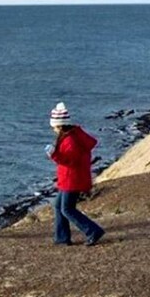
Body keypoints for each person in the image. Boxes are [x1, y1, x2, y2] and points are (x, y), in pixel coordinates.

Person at [45, 102, 105, 246]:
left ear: (60, 125)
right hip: (71, 177)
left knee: (67, 209)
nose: (53, 130)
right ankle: (62, 237)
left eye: (54, 126)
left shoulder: (70, 140)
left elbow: (71, 161)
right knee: (59, 206)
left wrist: (54, 155)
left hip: (71, 179)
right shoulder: (73, 136)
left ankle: (92, 230)